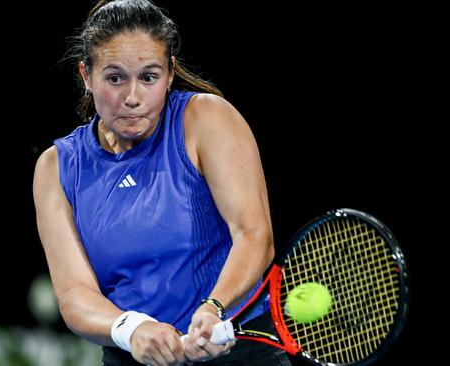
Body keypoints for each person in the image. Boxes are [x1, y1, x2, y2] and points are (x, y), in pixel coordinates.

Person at [33, 1, 291, 365]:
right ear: (86, 77)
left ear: (170, 75)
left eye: (149, 77)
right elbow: (75, 292)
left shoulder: (207, 119)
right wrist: (132, 328)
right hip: (132, 357)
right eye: (115, 78)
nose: (133, 97)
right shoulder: (56, 167)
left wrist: (213, 308)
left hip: (238, 351)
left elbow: (254, 235)